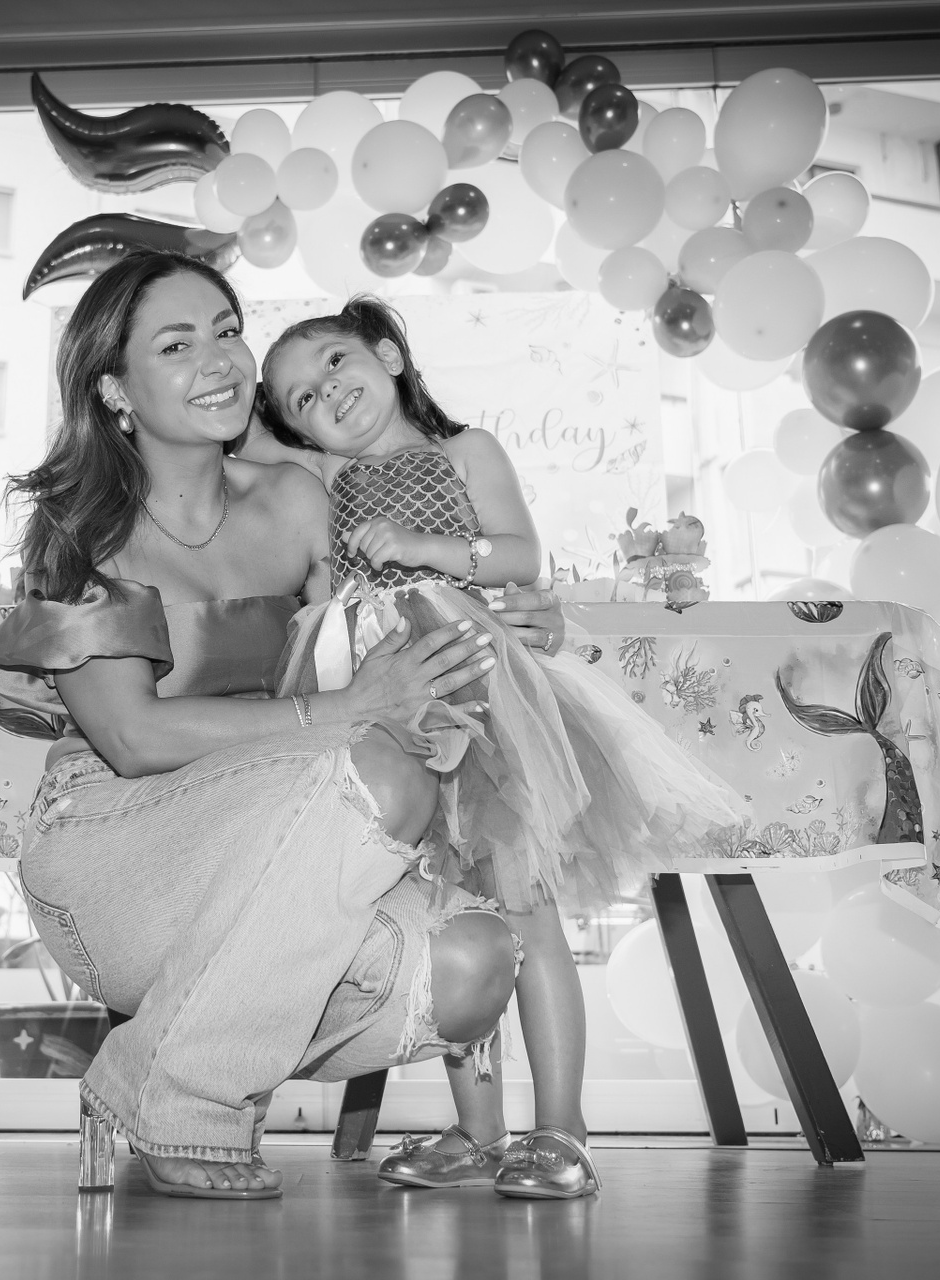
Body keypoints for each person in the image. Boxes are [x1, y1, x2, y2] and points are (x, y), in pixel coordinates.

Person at [0, 253, 568, 1200]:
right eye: (177, 345)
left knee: (476, 961)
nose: (219, 360)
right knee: (378, 770)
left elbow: (384, 621)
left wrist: (513, 619)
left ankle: (169, 1054)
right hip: (119, 853)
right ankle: (182, 1099)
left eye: (226, 331)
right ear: (114, 388)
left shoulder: (294, 498)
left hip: (282, 848)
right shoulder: (82, 527)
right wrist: (340, 713)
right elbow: (131, 740)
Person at [256, 297, 745, 1200]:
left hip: (475, 685)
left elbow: (520, 554)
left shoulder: (465, 450)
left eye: (333, 363)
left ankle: (562, 1128)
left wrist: (421, 547)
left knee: (525, 908)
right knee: (450, 916)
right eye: (301, 399)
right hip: (380, 702)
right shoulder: (319, 478)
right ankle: (480, 1132)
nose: (326, 393)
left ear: (389, 355)